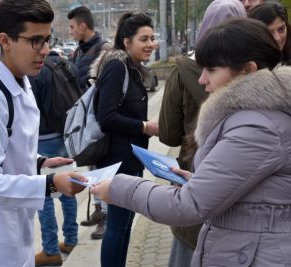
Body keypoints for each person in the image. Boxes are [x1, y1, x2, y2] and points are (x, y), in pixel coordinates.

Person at [92, 17, 291, 266]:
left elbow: (188, 205)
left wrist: (117, 187)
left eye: (212, 70)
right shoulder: (257, 118)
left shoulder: (258, 128)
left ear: (248, 70)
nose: (202, 79)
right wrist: (197, 181)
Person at [0, 1, 86, 266]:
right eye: (35, 40)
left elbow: (4, 147)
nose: (45, 50)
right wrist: (49, 183)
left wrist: (39, 162)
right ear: (5, 41)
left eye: (47, 39)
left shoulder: (20, 81)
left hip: (13, 231)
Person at [159, 1, 246, 266]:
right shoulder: (261, 78)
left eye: (212, 71)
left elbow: (168, 134)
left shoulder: (184, 71)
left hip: (194, 192)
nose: (204, 81)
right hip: (241, 210)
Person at [90, 12, 158, 267]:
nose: (150, 43)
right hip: (117, 162)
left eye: (152, 37)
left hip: (130, 159)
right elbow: (105, 116)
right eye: (144, 39)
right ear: (127, 41)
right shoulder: (117, 67)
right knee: (117, 227)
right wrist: (144, 127)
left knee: (125, 225)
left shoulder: (132, 67)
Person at [29, 48, 80, 266]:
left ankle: (50, 249)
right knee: (67, 188)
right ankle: (71, 239)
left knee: (46, 194)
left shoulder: (37, 72)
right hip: (64, 135)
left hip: (43, 140)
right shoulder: (68, 65)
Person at [67, 5, 110, 239]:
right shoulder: (78, 52)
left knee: (103, 169)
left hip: (99, 120)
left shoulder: (104, 50)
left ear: (83, 26)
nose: (71, 31)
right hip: (86, 118)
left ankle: (106, 218)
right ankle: (97, 210)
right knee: (93, 167)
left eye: (73, 27)